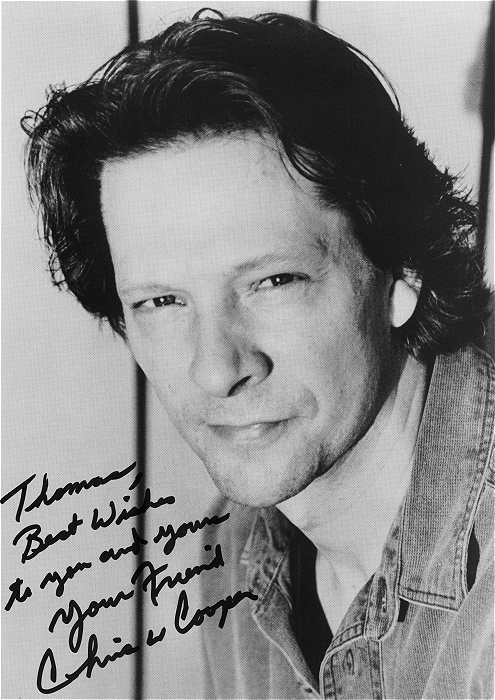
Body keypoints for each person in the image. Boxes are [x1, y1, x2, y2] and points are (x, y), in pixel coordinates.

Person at [22, 10, 493, 699]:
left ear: (403, 275)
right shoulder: (234, 548)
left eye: (273, 282)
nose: (217, 368)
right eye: (161, 301)